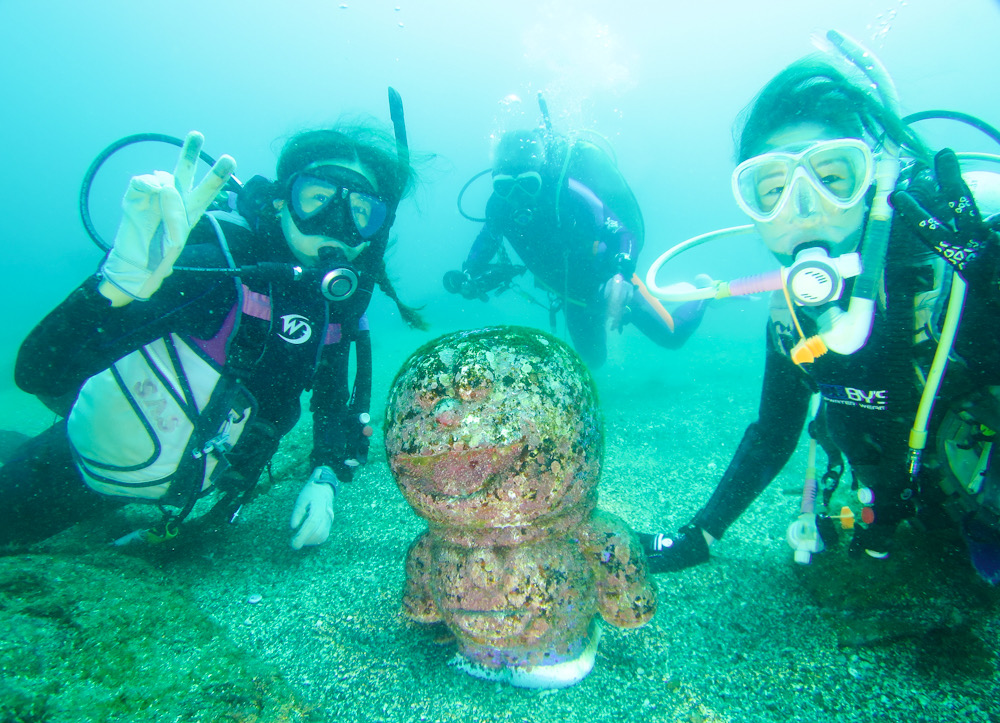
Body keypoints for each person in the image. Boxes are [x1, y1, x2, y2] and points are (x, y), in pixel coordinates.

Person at [640, 43, 1000, 581]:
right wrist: (700, 534)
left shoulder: (953, 256)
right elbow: (773, 432)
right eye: (773, 189)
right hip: (914, 512)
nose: (803, 208)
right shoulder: (791, 310)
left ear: (873, 184)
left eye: (832, 179)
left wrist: (991, 282)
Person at [0, 114, 425, 551]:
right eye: (318, 198)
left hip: (192, 488)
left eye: (360, 211)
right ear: (282, 199)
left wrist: (325, 474)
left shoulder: (336, 303)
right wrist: (112, 289)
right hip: (85, 467)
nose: (338, 223)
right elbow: (38, 373)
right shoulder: (215, 266)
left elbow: (332, 398)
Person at [444, 127, 708, 369]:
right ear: (496, 182)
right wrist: (469, 272)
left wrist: (622, 275)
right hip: (570, 295)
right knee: (593, 361)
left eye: (527, 183)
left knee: (672, 336)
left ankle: (701, 290)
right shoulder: (498, 206)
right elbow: (487, 239)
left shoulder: (570, 195)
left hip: (607, 281)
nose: (516, 196)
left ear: (542, 177)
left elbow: (623, 233)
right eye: (504, 186)